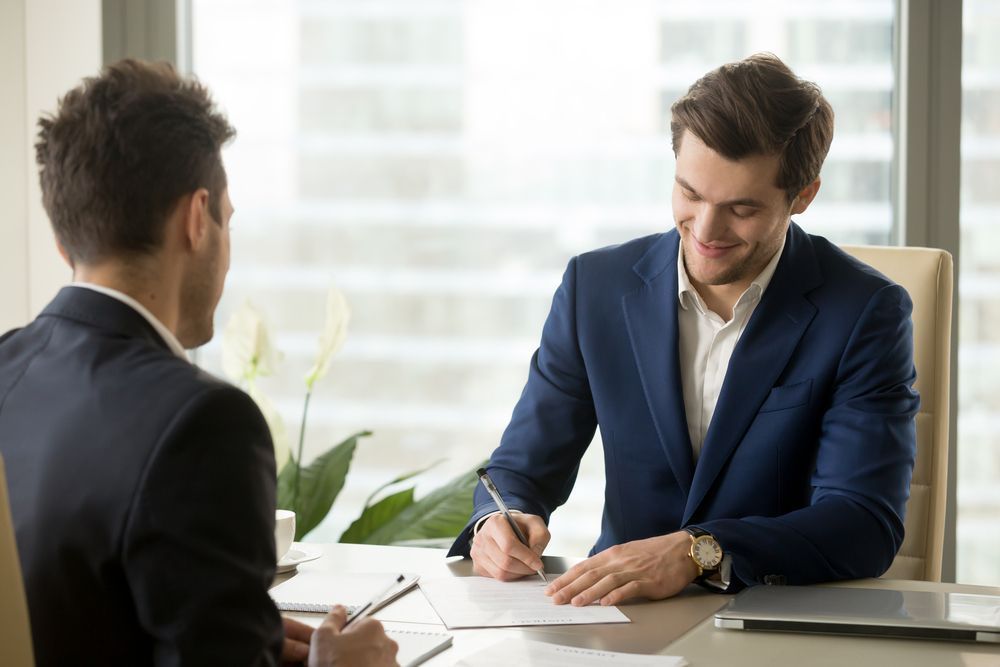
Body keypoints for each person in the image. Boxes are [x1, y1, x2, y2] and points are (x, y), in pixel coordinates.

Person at [449, 53, 920, 606]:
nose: (705, 230)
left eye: (741, 209)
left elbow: (864, 523)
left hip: (774, 621)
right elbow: (523, 466)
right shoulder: (594, 289)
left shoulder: (866, 312)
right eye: (690, 195)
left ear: (803, 196)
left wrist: (700, 550)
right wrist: (496, 522)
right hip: (616, 621)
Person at [0, 60, 397, 666]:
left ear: (63, 239)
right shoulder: (203, 422)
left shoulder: (7, 366)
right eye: (227, 221)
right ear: (196, 219)